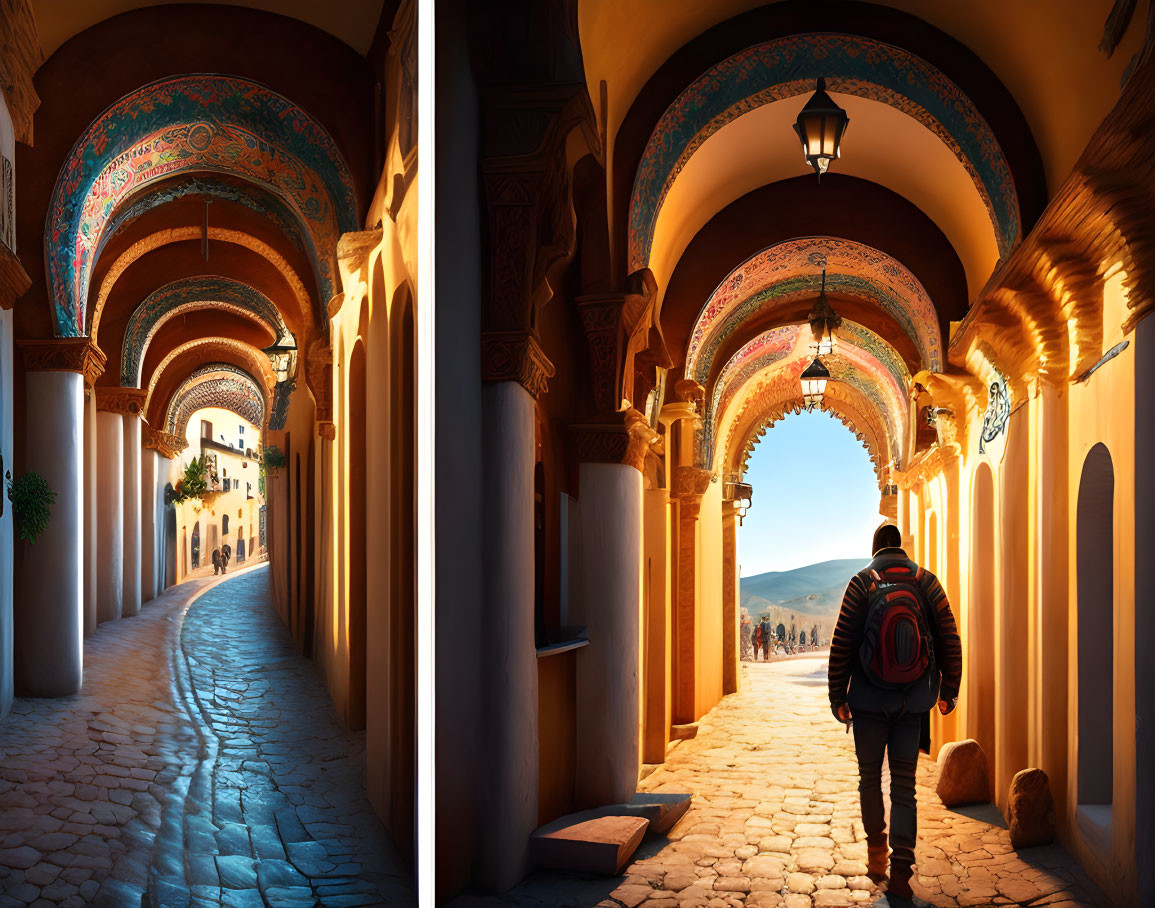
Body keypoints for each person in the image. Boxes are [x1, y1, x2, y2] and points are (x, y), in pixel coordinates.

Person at [828, 524, 962, 907]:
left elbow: (843, 642)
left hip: (868, 701)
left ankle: (876, 855)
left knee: (869, 777)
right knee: (904, 785)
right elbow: (949, 636)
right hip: (913, 702)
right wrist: (948, 690)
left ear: (874, 550)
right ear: (900, 549)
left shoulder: (861, 583)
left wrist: (839, 695)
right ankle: (902, 872)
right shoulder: (926, 582)